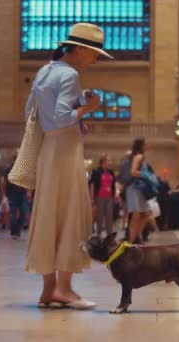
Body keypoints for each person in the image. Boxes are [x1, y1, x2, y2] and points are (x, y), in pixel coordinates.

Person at [24, 23, 109, 309]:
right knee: (71, 213)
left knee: (50, 214)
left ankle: (49, 289)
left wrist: (77, 118)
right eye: (95, 53)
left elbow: (33, 114)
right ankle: (65, 289)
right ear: (81, 49)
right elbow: (62, 117)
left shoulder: (45, 71)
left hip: (49, 150)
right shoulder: (70, 75)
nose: (95, 60)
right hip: (66, 152)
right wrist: (88, 108)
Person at [125, 138, 156, 244]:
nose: (147, 145)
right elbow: (133, 172)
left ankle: (136, 237)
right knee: (137, 214)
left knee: (145, 214)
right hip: (135, 188)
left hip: (139, 189)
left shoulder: (140, 157)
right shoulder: (139, 156)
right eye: (145, 144)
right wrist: (146, 175)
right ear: (141, 146)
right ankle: (131, 241)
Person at [1, 157, 31, 239]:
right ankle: (14, 232)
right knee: (12, 215)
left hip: (22, 193)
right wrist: (3, 196)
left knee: (24, 213)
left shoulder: (24, 168)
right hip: (11, 193)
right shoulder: (8, 170)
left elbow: (27, 181)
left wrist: (28, 191)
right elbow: (4, 183)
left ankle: (17, 230)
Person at [88, 155, 116, 237]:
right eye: (108, 161)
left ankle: (109, 235)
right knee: (99, 216)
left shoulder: (111, 172)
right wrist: (92, 198)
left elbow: (113, 185)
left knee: (109, 216)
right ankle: (98, 235)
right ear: (103, 162)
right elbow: (92, 185)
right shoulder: (96, 171)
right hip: (99, 196)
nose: (110, 162)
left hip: (109, 196)